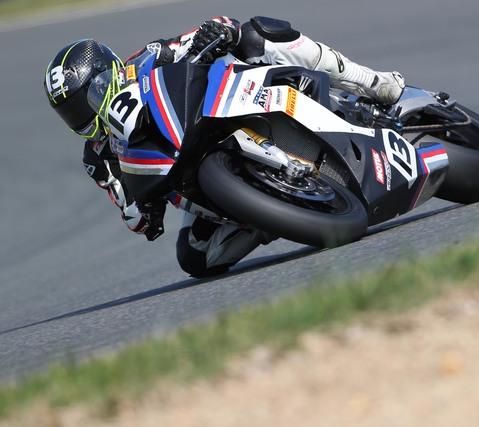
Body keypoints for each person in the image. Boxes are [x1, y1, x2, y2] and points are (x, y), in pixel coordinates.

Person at [44, 16, 405, 277]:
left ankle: (372, 82)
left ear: (107, 72)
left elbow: (206, 31)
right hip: (193, 182)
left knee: (257, 34)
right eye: (71, 113)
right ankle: (271, 211)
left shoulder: (144, 60)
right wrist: (144, 212)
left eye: (83, 102)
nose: (83, 116)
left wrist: (219, 33)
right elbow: (136, 219)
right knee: (195, 257)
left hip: (223, 104)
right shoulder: (98, 158)